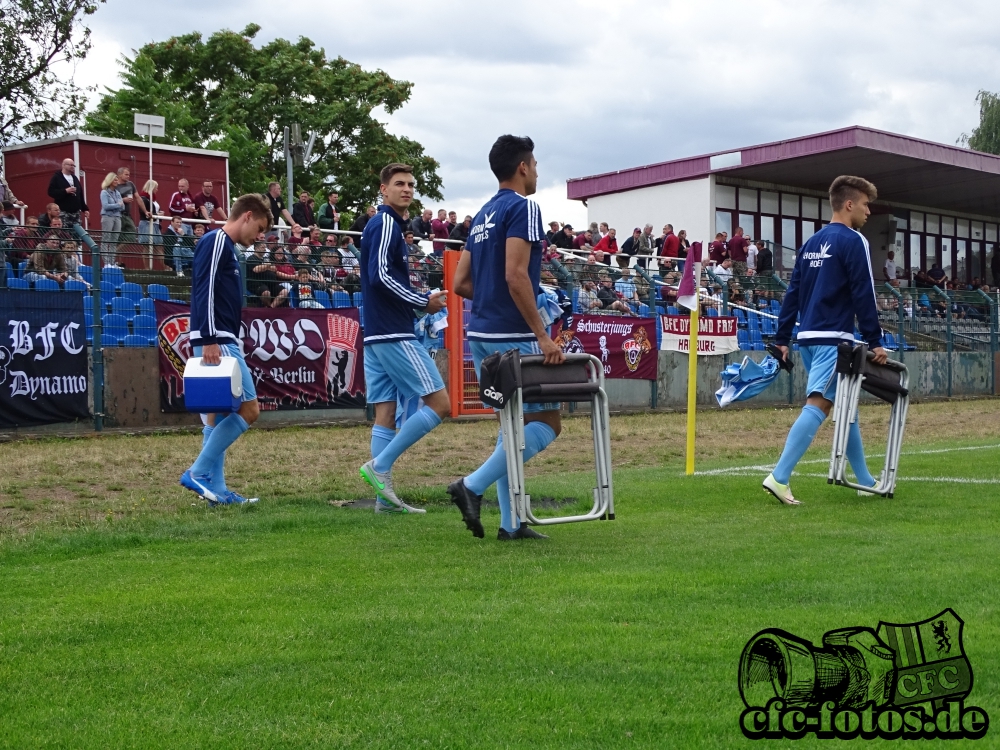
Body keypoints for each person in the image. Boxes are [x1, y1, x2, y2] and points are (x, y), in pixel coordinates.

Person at [449, 134, 564, 541]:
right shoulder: (525, 209)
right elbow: (516, 275)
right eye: (534, 164)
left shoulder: (481, 215)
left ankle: (511, 524)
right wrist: (543, 337)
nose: (536, 172)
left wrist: (495, 296)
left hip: (479, 332)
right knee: (548, 423)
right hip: (512, 335)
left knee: (509, 428)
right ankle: (471, 486)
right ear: (523, 167)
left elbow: (460, 283)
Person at [764, 175, 887, 506]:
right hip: (835, 339)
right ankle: (779, 476)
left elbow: (792, 294)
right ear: (849, 205)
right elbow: (864, 291)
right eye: (865, 204)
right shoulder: (854, 240)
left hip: (808, 338)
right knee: (819, 404)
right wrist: (875, 340)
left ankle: (864, 481)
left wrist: (783, 338)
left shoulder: (810, 244)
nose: (868, 211)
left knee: (846, 408)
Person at [357, 163, 450, 515]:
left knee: (386, 413)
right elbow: (379, 276)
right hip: (393, 332)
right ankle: (379, 468)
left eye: (411, 184)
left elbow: (380, 279)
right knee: (440, 405)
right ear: (383, 190)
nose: (407, 189)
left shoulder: (388, 225)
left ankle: (385, 501)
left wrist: (417, 301)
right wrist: (421, 302)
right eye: (399, 184)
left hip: (378, 333)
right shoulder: (383, 223)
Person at [180, 193, 273, 506]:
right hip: (216, 339)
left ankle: (216, 491)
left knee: (218, 416)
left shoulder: (227, 247)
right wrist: (209, 338)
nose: (259, 236)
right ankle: (198, 471)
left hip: (222, 338)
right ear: (246, 215)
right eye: (259, 228)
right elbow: (202, 288)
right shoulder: (217, 240)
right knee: (249, 410)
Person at [47, 158, 89, 227]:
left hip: (76, 212)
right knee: (65, 233)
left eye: (73, 165)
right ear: (63, 165)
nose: (72, 167)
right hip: (63, 211)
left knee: (77, 233)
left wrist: (85, 209)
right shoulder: (57, 177)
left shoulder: (75, 178)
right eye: (70, 165)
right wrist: (65, 191)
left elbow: (80, 194)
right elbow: (50, 192)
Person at [99, 172, 125, 266]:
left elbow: (123, 207)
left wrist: (118, 206)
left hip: (117, 217)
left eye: (117, 179)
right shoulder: (104, 192)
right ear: (110, 180)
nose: (117, 181)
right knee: (106, 239)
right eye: (115, 179)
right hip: (108, 217)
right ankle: (106, 262)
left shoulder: (117, 193)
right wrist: (117, 205)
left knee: (114, 241)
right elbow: (105, 206)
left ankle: (112, 261)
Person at [138, 180, 162, 249]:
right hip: (147, 223)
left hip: (155, 224)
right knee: (147, 247)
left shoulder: (153, 199)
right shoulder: (144, 199)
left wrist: (158, 214)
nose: (157, 190)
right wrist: (157, 215)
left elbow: (155, 210)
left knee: (159, 247)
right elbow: (144, 212)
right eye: (156, 188)